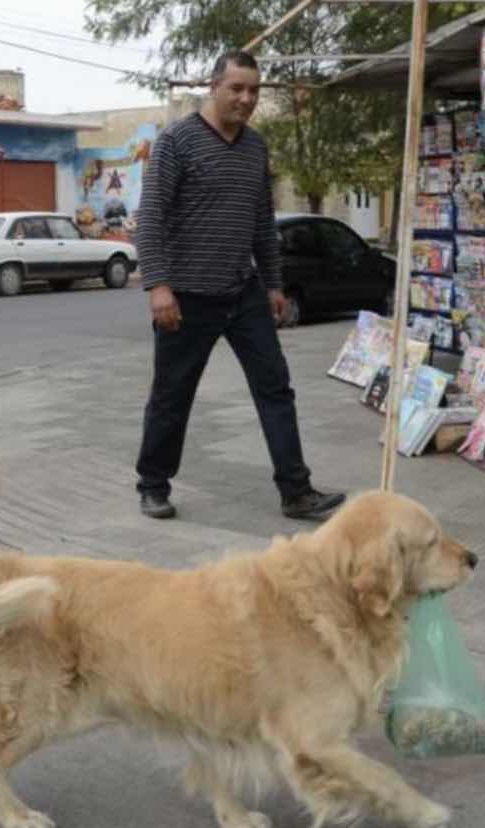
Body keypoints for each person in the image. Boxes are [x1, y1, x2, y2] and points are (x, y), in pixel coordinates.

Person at [134, 50, 344, 521]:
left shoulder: (255, 147)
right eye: (237, 88)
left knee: (276, 387)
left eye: (254, 90)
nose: (246, 99)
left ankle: (297, 491)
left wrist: (273, 284)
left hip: (243, 292)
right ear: (213, 86)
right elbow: (150, 218)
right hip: (186, 297)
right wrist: (158, 285)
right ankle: (152, 485)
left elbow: (260, 223)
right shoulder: (176, 142)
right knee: (173, 394)